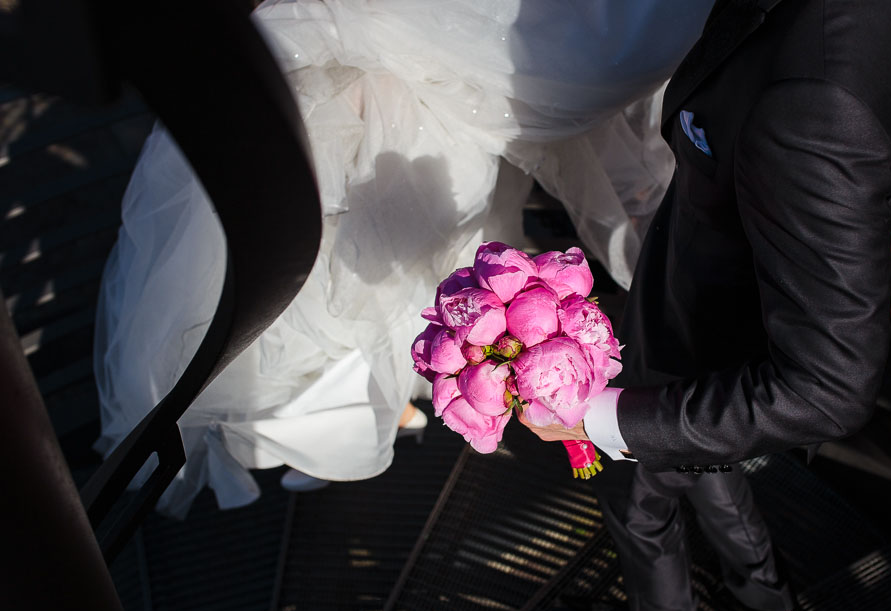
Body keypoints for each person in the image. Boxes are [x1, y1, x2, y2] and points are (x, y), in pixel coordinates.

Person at [93, 0, 719, 516]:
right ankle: (343, 416)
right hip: (393, 84)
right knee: (349, 271)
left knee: (412, 263)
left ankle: (367, 407)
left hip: (433, 92)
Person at [520, 0, 891, 611]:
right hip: (727, 292)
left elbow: (829, 388)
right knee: (711, 469)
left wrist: (604, 417)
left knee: (638, 498)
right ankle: (768, 598)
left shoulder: (817, 117)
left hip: (702, 335)